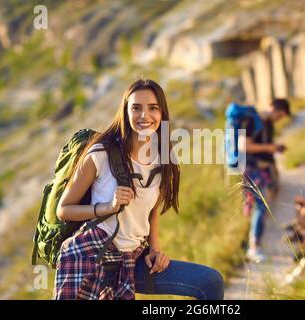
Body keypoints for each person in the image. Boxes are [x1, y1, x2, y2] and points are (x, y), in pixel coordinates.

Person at [54, 79, 224, 300]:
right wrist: (108, 207)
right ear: (126, 112)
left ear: (162, 113)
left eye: (153, 108)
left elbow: (152, 211)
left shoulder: (163, 158)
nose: (145, 115)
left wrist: (155, 249)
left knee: (210, 282)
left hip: (133, 260)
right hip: (92, 257)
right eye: (136, 108)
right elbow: (64, 209)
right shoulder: (100, 154)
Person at [243, 98, 291, 263]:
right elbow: (245, 146)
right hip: (252, 169)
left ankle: (253, 243)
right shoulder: (252, 120)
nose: (278, 119)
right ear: (273, 109)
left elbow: (264, 145)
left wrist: (275, 148)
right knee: (260, 206)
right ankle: (253, 247)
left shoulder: (268, 124)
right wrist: (269, 148)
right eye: (279, 115)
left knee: (261, 207)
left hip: (264, 170)